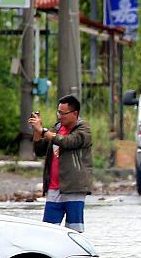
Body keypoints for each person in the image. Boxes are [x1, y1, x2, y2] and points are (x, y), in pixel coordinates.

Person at [27, 94, 92, 232]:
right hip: (54, 188)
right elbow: (39, 150)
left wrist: (43, 131)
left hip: (74, 187)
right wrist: (37, 131)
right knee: (48, 230)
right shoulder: (56, 127)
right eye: (58, 112)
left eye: (63, 113)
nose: (59, 116)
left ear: (75, 113)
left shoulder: (83, 129)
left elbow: (67, 142)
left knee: (74, 231)